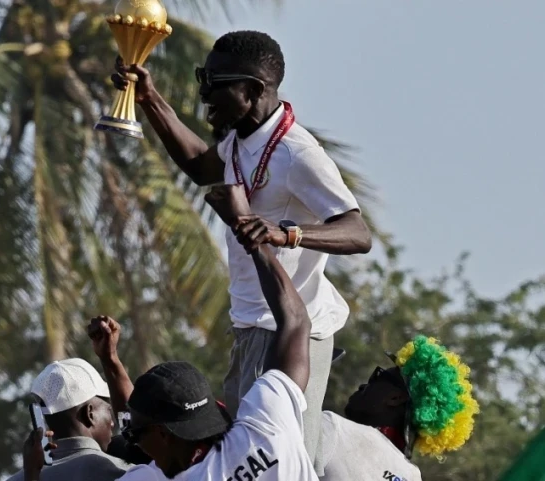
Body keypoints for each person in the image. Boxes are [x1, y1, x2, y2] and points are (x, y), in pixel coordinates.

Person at [111, 29, 372, 468]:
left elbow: (358, 232)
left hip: (292, 333)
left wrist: (285, 234)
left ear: (251, 91)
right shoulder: (241, 140)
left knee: (281, 459)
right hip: (251, 325)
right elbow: (200, 166)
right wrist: (149, 99)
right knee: (241, 459)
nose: (203, 93)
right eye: (202, 78)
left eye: (214, 83)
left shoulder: (297, 154)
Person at [105, 184, 317, 481]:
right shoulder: (267, 421)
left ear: (163, 434)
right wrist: (251, 234)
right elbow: (296, 321)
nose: (133, 444)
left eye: (134, 434)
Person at [316, 336, 479, 481]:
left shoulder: (334, 430)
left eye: (377, 376)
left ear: (395, 398)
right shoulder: (412, 475)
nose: (363, 385)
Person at [6, 358, 132, 481]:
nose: (112, 423)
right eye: (109, 410)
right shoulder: (124, 473)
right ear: (90, 414)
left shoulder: (24, 476)